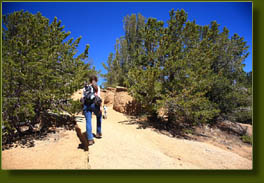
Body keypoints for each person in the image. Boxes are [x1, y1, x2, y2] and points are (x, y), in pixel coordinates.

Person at [83, 75, 102, 146]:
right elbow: (98, 97)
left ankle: (90, 139)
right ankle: (98, 132)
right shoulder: (97, 87)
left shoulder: (85, 87)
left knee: (88, 121)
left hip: (86, 105)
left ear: (90, 80)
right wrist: (100, 107)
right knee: (99, 116)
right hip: (94, 104)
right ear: (96, 80)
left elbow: (83, 97)